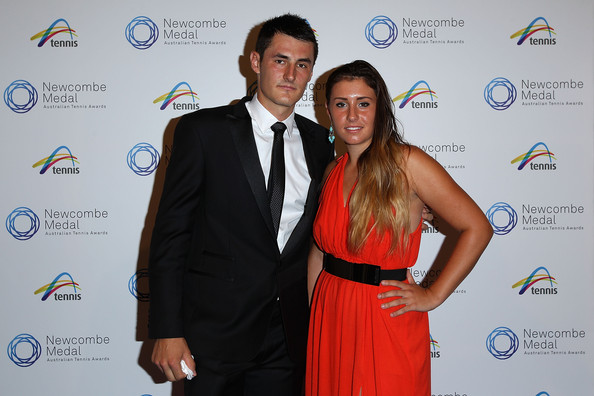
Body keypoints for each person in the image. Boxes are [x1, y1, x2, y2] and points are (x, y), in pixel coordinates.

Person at [148, 14, 333, 396]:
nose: (291, 74)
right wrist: (168, 330)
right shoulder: (203, 131)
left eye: (303, 64)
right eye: (280, 60)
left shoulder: (320, 142)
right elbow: (172, 235)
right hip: (214, 335)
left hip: (289, 337)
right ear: (255, 62)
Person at [305, 60, 493, 396]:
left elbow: (477, 227)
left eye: (363, 103)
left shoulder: (407, 163)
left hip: (385, 314)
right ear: (328, 111)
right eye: (341, 104)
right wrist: (314, 315)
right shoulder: (333, 169)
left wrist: (433, 295)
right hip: (330, 314)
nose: (352, 115)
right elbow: (319, 252)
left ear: (380, 109)